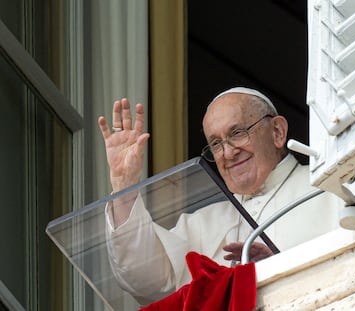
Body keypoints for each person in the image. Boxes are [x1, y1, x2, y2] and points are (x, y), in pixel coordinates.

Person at [98, 87, 342, 303]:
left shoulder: (329, 187)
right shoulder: (203, 224)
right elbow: (145, 280)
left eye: (237, 133)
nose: (227, 152)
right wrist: (124, 183)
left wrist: (281, 267)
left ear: (277, 132)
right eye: (215, 144)